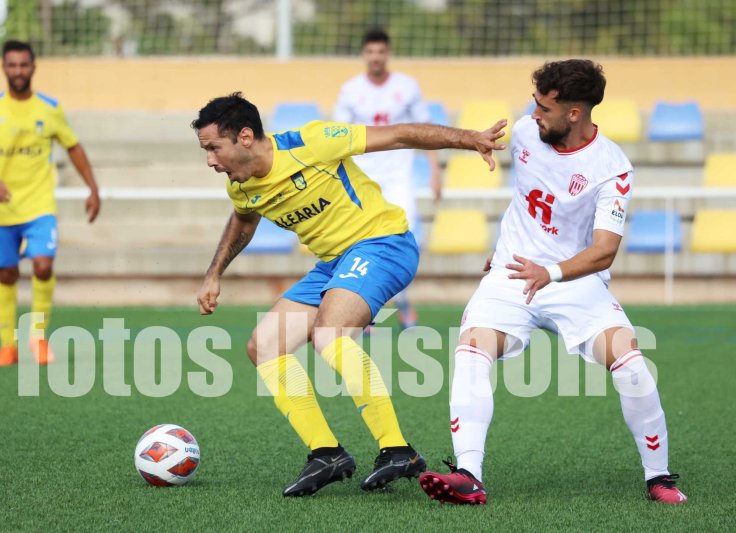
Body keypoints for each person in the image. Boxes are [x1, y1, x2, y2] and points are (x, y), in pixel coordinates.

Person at [192, 92, 505, 497]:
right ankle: (327, 454)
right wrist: (214, 273)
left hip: (383, 243)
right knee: (264, 345)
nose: (210, 160)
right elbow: (244, 220)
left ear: (246, 137)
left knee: (330, 334)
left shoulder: (312, 143)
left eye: (214, 148)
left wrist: (469, 138)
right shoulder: (241, 186)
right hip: (333, 264)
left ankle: (398, 450)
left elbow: (399, 134)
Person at [418, 59, 687, 505]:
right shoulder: (527, 131)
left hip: (575, 280)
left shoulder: (612, 168)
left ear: (574, 113)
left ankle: (659, 478)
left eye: (544, 107)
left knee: (631, 363)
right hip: (512, 274)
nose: (534, 114)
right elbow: (523, 197)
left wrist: (552, 272)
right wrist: (472, 142)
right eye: (535, 103)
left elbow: (604, 250)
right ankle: (468, 475)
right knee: (471, 351)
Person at [0, 40, 100, 366]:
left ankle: (38, 338)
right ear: (4, 67)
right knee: (6, 273)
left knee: (43, 265)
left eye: (23, 65)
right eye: (12, 65)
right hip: (2, 210)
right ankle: (7, 345)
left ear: (33, 67)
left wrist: (93, 188)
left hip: (39, 207)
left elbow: (73, 147)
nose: (18, 71)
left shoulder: (49, 108)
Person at [333, 28, 442, 328]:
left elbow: (425, 129)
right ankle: (365, 307)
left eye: (380, 52)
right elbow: (338, 137)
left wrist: (435, 171)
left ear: (388, 53)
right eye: (370, 52)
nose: (376, 57)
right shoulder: (350, 90)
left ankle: (402, 301)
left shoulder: (407, 87)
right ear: (363, 54)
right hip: (362, 178)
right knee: (360, 242)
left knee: (401, 239)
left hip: (398, 177)